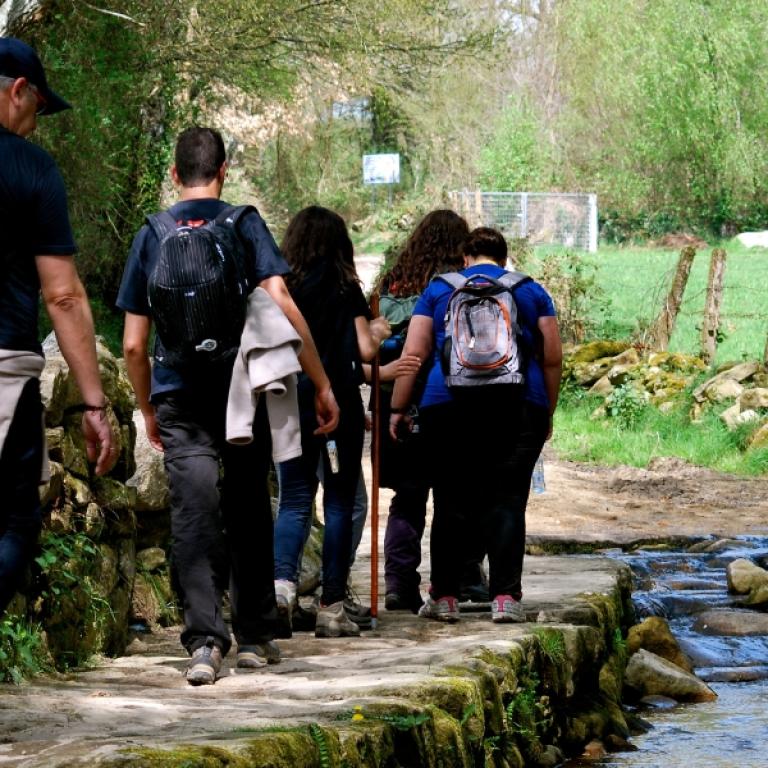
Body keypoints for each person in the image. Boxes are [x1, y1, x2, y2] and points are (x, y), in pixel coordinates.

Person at [118, 127, 340, 685]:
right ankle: (257, 636)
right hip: (241, 391)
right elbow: (282, 302)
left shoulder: (152, 233)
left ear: (175, 174)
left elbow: (132, 344)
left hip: (177, 394)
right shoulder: (241, 223)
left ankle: (203, 644)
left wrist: (147, 407)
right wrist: (322, 383)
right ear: (224, 171)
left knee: (192, 513)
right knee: (247, 501)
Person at [389, 227, 562, 623]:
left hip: (447, 404)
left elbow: (414, 353)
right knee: (508, 499)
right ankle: (505, 599)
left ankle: (445, 597)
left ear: (465, 258)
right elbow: (552, 356)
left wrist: (399, 407)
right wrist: (546, 410)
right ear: (504, 257)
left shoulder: (439, 289)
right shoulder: (531, 291)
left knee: (450, 500)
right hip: (519, 405)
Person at [0, 38, 117, 616]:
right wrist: (94, 404)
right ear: (18, 90)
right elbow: (64, 295)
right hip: (3, 369)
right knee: (17, 521)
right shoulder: (30, 168)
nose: (36, 126)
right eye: (39, 109)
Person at [272, 206, 390, 639]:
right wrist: (378, 329)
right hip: (337, 403)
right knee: (339, 502)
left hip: (289, 401)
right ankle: (331, 606)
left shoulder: (282, 286)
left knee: (295, 499)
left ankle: (282, 591)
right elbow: (365, 350)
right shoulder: (345, 287)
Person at [366, 209, 471, 614]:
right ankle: (456, 580)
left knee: (407, 499)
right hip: (446, 401)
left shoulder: (390, 284)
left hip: (393, 398)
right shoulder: (456, 287)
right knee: (453, 498)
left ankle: (398, 584)